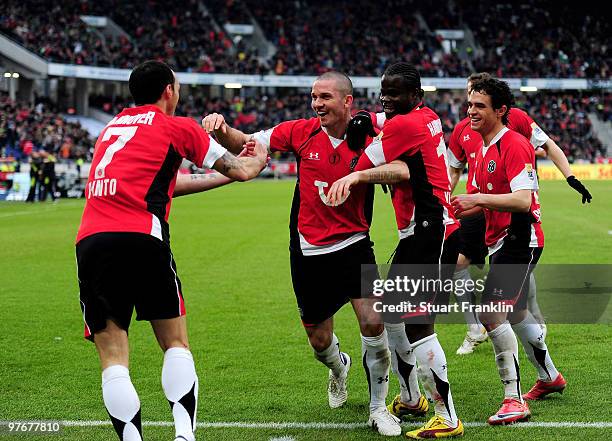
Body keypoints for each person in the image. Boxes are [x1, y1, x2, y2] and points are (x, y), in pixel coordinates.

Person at [202, 71, 403, 436]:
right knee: (320, 341)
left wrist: (360, 174)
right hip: (308, 251)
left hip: (355, 244)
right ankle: (339, 367)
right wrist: (221, 130)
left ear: (347, 101)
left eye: (325, 97)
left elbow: (401, 163)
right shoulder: (300, 131)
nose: (317, 103)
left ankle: (378, 408)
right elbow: (247, 143)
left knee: (374, 323)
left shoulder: (372, 133)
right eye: (314, 97)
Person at [75, 60, 267, 441]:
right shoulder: (178, 127)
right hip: (143, 236)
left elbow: (163, 183)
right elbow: (242, 169)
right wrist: (257, 159)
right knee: (175, 343)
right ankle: (183, 434)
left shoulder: (112, 128)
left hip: (92, 240)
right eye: (177, 87)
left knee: (114, 359)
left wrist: (216, 180)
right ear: (168, 90)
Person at [328, 62, 464, 439]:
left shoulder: (405, 124)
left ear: (415, 96)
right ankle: (409, 398)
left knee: (418, 321)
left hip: (431, 229)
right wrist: (371, 117)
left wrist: (353, 168)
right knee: (392, 313)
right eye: (383, 91)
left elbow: (366, 158)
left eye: (396, 92)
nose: (387, 98)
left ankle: (447, 415)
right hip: (421, 230)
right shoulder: (427, 116)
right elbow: (387, 124)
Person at [447, 72, 593, 355]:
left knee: (512, 289)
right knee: (458, 265)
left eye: (478, 100)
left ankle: (531, 338)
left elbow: (548, 146)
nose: (471, 106)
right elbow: (454, 168)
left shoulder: (516, 125)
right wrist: (447, 202)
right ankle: (475, 329)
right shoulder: (464, 130)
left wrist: (570, 176)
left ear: (496, 105)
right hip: (477, 210)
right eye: (469, 99)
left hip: (511, 211)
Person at [451, 77, 566, 425]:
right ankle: (549, 378)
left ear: (501, 110)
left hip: (521, 238)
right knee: (514, 314)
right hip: (500, 239)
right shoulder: (484, 146)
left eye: (479, 106)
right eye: (469, 105)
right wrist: (454, 208)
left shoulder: (514, 144)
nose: (471, 111)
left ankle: (514, 400)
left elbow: (521, 200)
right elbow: (484, 201)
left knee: (491, 314)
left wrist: (476, 199)